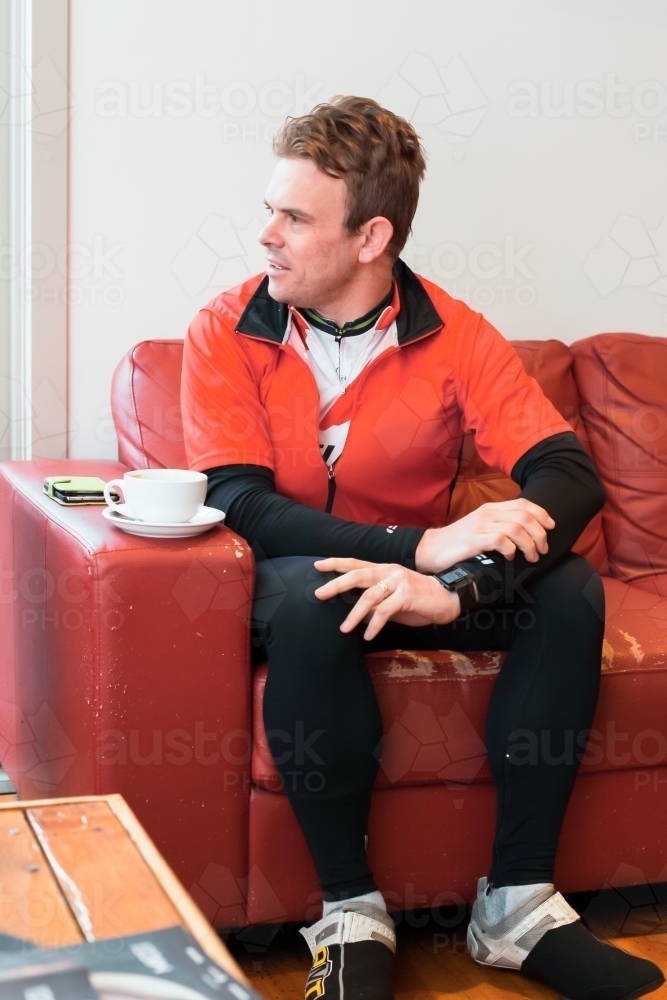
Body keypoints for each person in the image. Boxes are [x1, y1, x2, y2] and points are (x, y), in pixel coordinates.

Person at [181, 96, 664, 1000]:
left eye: (294, 218)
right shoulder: (227, 329)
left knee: (569, 592)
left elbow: (567, 475)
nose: (266, 236)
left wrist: (458, 587)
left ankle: (516, 907)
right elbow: (237, 501)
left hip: (424, 589)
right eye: (270, 211)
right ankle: (348, 913)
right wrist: (421, 546)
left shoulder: (450, 330)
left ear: (371, 237)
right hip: (291, 588)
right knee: (318, 593)